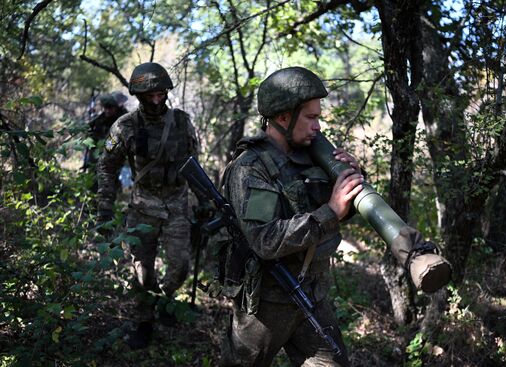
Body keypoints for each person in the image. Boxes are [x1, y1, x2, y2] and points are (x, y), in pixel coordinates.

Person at [220, 66, 365, 366]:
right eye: (311, 118)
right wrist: (330, 211)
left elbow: (338, 213)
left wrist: (349, 181)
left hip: (311, 294)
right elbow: (265, 239)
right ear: (283, 117)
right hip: (266, 304)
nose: (318, 127)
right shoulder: (251, 168)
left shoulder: (310, 156)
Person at [96, 62, 200, 349]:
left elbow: (195, 166)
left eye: (161, 93)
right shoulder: (125, 126)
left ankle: (164, 300)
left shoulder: (182, 122)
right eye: (149, 94)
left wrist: (205, 202)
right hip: (143, 207)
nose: (156, 99)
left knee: (180, 267)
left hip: (178, 205)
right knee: (142, 272)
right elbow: (106, 167)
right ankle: (144, 321)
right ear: (139, 95)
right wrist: (105, 207)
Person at [82, 93, 128, 180]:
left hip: (112, 154)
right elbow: (88, 127)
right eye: (106, 108)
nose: (107, 111)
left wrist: (106, 150)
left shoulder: (121, 119)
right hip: (97, 152)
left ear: (115, 108)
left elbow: (115, 139)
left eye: (110, 108)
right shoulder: (101, 118)